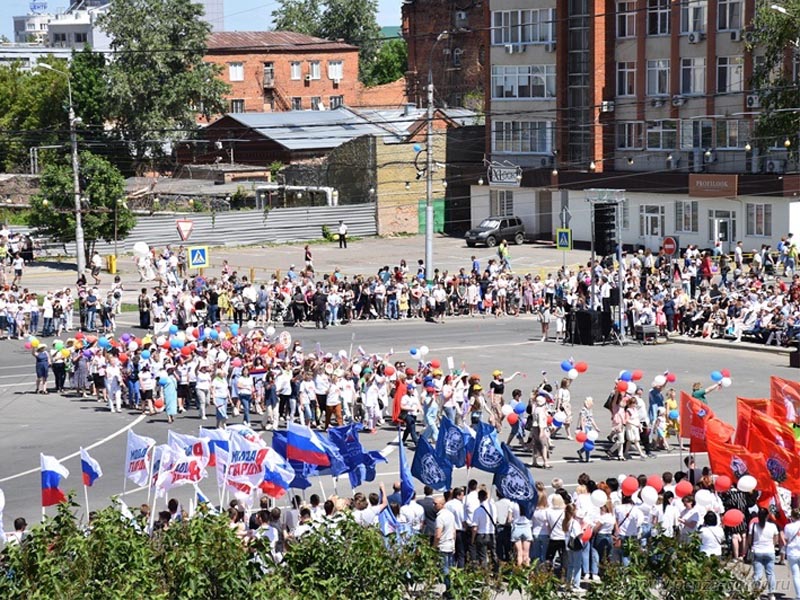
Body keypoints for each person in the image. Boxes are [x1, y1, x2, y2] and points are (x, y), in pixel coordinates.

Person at [747, 507, 782, 600]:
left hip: (757, 551)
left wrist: (751, 546)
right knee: (770, 573)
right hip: (770, 551)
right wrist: (772, 546)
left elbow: (749, 539)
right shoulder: (772, 526)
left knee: (757, 574)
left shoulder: (753, 526)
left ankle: (756, 594)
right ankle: (771, 594)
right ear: (767, 516)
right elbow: (776, 539)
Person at [434, 495, 456, 597]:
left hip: (443, 545)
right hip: (450, 544)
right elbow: (453, 530)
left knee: (445, 569)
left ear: (442, 504)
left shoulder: (440, 517)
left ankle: (449, 591)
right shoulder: (450, 515)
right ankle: (451, 589)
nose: (433, 505)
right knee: (450, 568)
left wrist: (434, 546)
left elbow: (438, 535)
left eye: (435, 504)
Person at [785, 508, 800, 600]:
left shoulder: (788, 526)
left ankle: (799, 595)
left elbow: (786, 538)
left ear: (792, 517)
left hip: (792, 552)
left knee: (796, 575)